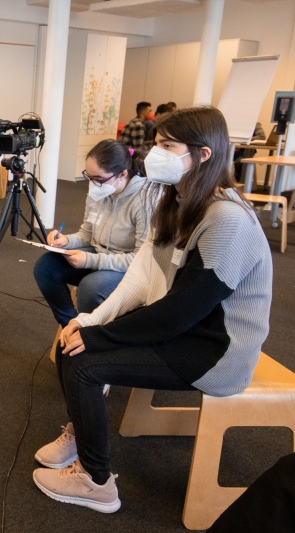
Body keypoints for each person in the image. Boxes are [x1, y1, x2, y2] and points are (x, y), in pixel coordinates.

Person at [32, 106, 273, 514]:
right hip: (187, 331)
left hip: (216, 351)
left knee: (85, 362)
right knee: (71, 338)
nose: (153, 154)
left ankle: (97, 483)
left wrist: (96, 335)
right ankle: (82, 433)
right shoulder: (177, 200)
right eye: (157, 144)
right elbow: (142, 278)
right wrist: (88, 321)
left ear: (203, 154)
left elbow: (180, 312)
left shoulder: (227, 219)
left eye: (167, 146)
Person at [33, 140, 156, 327]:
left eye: (98, 178)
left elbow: (141, 260)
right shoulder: (99, 191)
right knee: (45, 267)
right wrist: (66, 241)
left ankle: (88, 335)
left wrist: (90, 260)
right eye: (88, 176)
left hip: (129, 267)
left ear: (122, 174)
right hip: (99, 254)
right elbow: (87, 233)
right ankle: (71, 326)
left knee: (91, 288)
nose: (92, 184)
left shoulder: (145, 200)